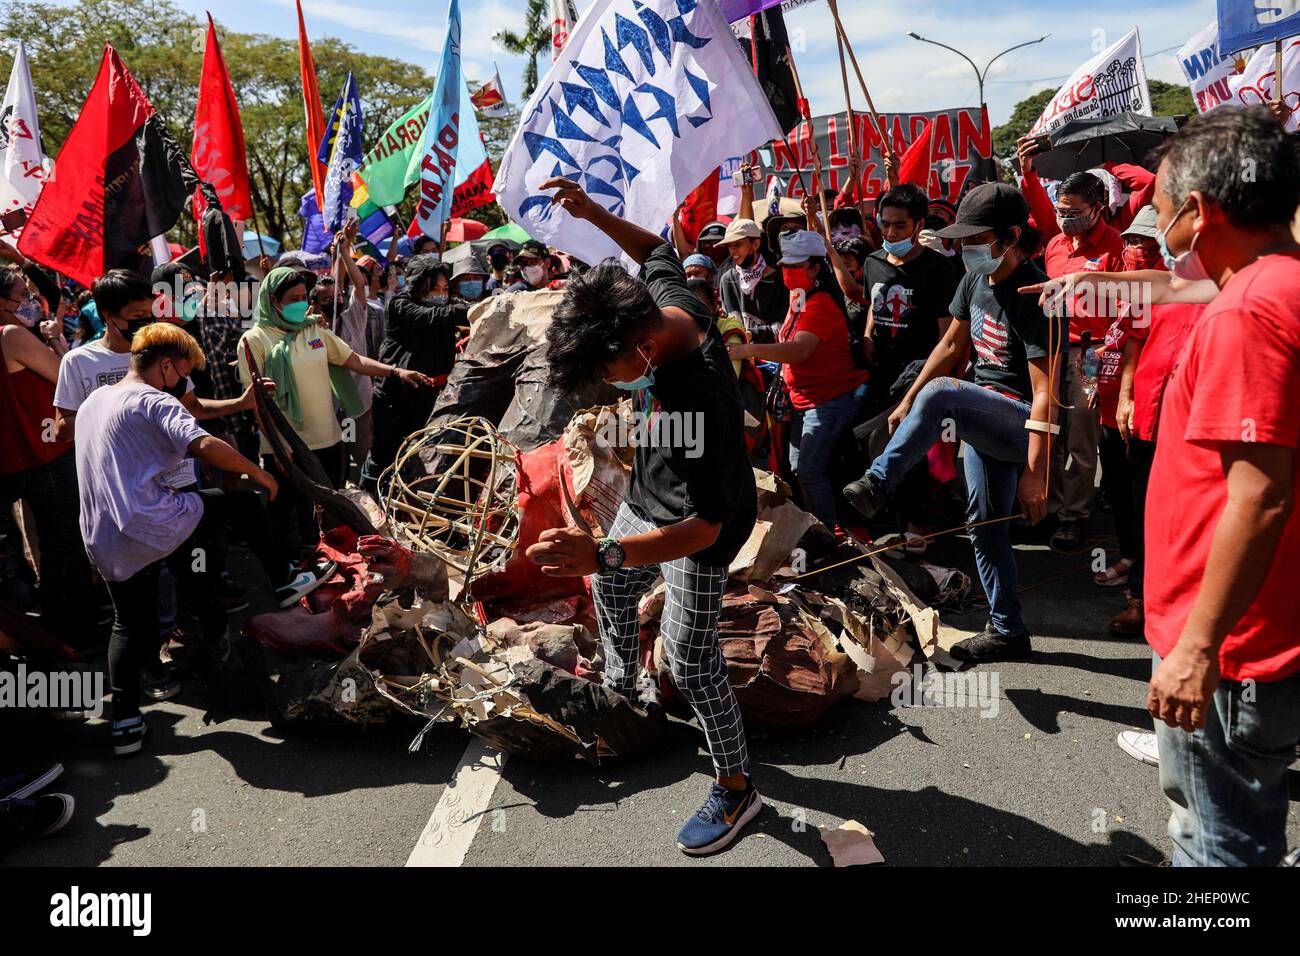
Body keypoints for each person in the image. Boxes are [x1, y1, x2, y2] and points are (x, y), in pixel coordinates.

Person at [526, 175, 760, 856]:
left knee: (692, 661)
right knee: (613, 591)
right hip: (650, 491)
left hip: (703, 525)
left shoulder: (703, 402)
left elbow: (705, 528)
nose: (611, 384)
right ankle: (626, 696)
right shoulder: (665, 306)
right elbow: (657, 247)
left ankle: (737, 787)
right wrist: (593, 211)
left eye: (611, 371)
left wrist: (600, 552)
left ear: (642, 351)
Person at [1139, 106, 1300, 867]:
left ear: (1200, 214)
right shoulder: (1283, 286)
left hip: (1236, 649)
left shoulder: (1248, 310)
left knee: (1218, 843)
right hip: (1264, 629)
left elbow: (1260, 494)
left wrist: (1198, 649)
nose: (1160, 229)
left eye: (1162, 213)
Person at [843, 183, 1065, 663]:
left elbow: (1046, 391)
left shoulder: (1037, 295)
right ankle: (1008, 631)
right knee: (983, 528)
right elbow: (948, 348)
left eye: (976, 240)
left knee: (944, 392)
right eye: (962, 241)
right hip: (980, 416)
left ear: (1009, 236)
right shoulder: (973, 282)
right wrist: (909, 398)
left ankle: (879, 481)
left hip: (1020, 423)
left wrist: (1035, 473)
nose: (966, 250)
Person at [75, 323, 283, 754]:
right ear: (165, 364)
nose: (183, 384)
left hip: (105, 533)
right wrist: (258, 472)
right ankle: (285, 579)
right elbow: (204, 443)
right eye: (181, 372)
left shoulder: (98, 399)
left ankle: (126, 721)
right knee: (242, 507)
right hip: (155, 522)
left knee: (128, 622)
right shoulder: (151, 398)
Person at [237, 266, 433, 555]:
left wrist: (396, 371)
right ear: (274, 301)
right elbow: (256, 402)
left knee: (331, 507)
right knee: (284, 510)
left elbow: (353, 360)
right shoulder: (254, 341)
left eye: (305, 297)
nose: (302, 304)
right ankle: (284, 569)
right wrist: (278, 445)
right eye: (293, 298)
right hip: (286, 445)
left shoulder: (314, 330)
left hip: (328, 439)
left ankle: (332, 558)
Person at [727, 230, 867, 530]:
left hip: (828, 401)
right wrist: (757, 337)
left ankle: (828, 531)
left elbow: (800, 349)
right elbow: (786, 335)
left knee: (810, 470)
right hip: (801, 400)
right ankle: (817, 526)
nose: (785, 271)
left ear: (815, 267)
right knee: (796, 467)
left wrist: (748, 348)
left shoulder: (821, 305)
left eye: (794, 265)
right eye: (784, 264)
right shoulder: (798, 298)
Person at [0, 265, 94, 646]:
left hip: (13, 459)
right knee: (65, 549)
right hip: (44, 455)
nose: (31, 304)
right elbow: (68, 378)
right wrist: (56, 343)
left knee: (33, 553)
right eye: (23, 297)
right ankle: (72, 634)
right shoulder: (11, 337)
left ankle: (40, 630)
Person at [1041, 171, 1125, 553]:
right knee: (1049, 431)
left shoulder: (1118, 247)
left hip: (1092, 354)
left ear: (1097, 208)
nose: (1065, 218)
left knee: (1081, 435)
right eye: (1061, 210)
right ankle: (1051, 507)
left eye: (1074, 211)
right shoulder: (1055, 245)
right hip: (1054, 351)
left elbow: (1129, 306)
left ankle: (1074, 517)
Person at [362, 255, 469, 491]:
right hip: (394, 397)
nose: (440, 294)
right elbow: (431, 317)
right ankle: (369, 500)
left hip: (427, 397)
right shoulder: (400, 305)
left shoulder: (447, 311)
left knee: (419, 456)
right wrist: (471, 309)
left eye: (444, 288)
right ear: (417, 286)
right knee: (385, 457)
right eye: (433, 289)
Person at [716, 218, 788, 344]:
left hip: (773, 358)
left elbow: (784, 327)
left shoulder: (780, 280)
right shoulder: (727, 280)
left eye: (738, 244)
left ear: (755, 244)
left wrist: (751, 335)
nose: (733, 251)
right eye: (729, 246)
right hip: (740, 357)